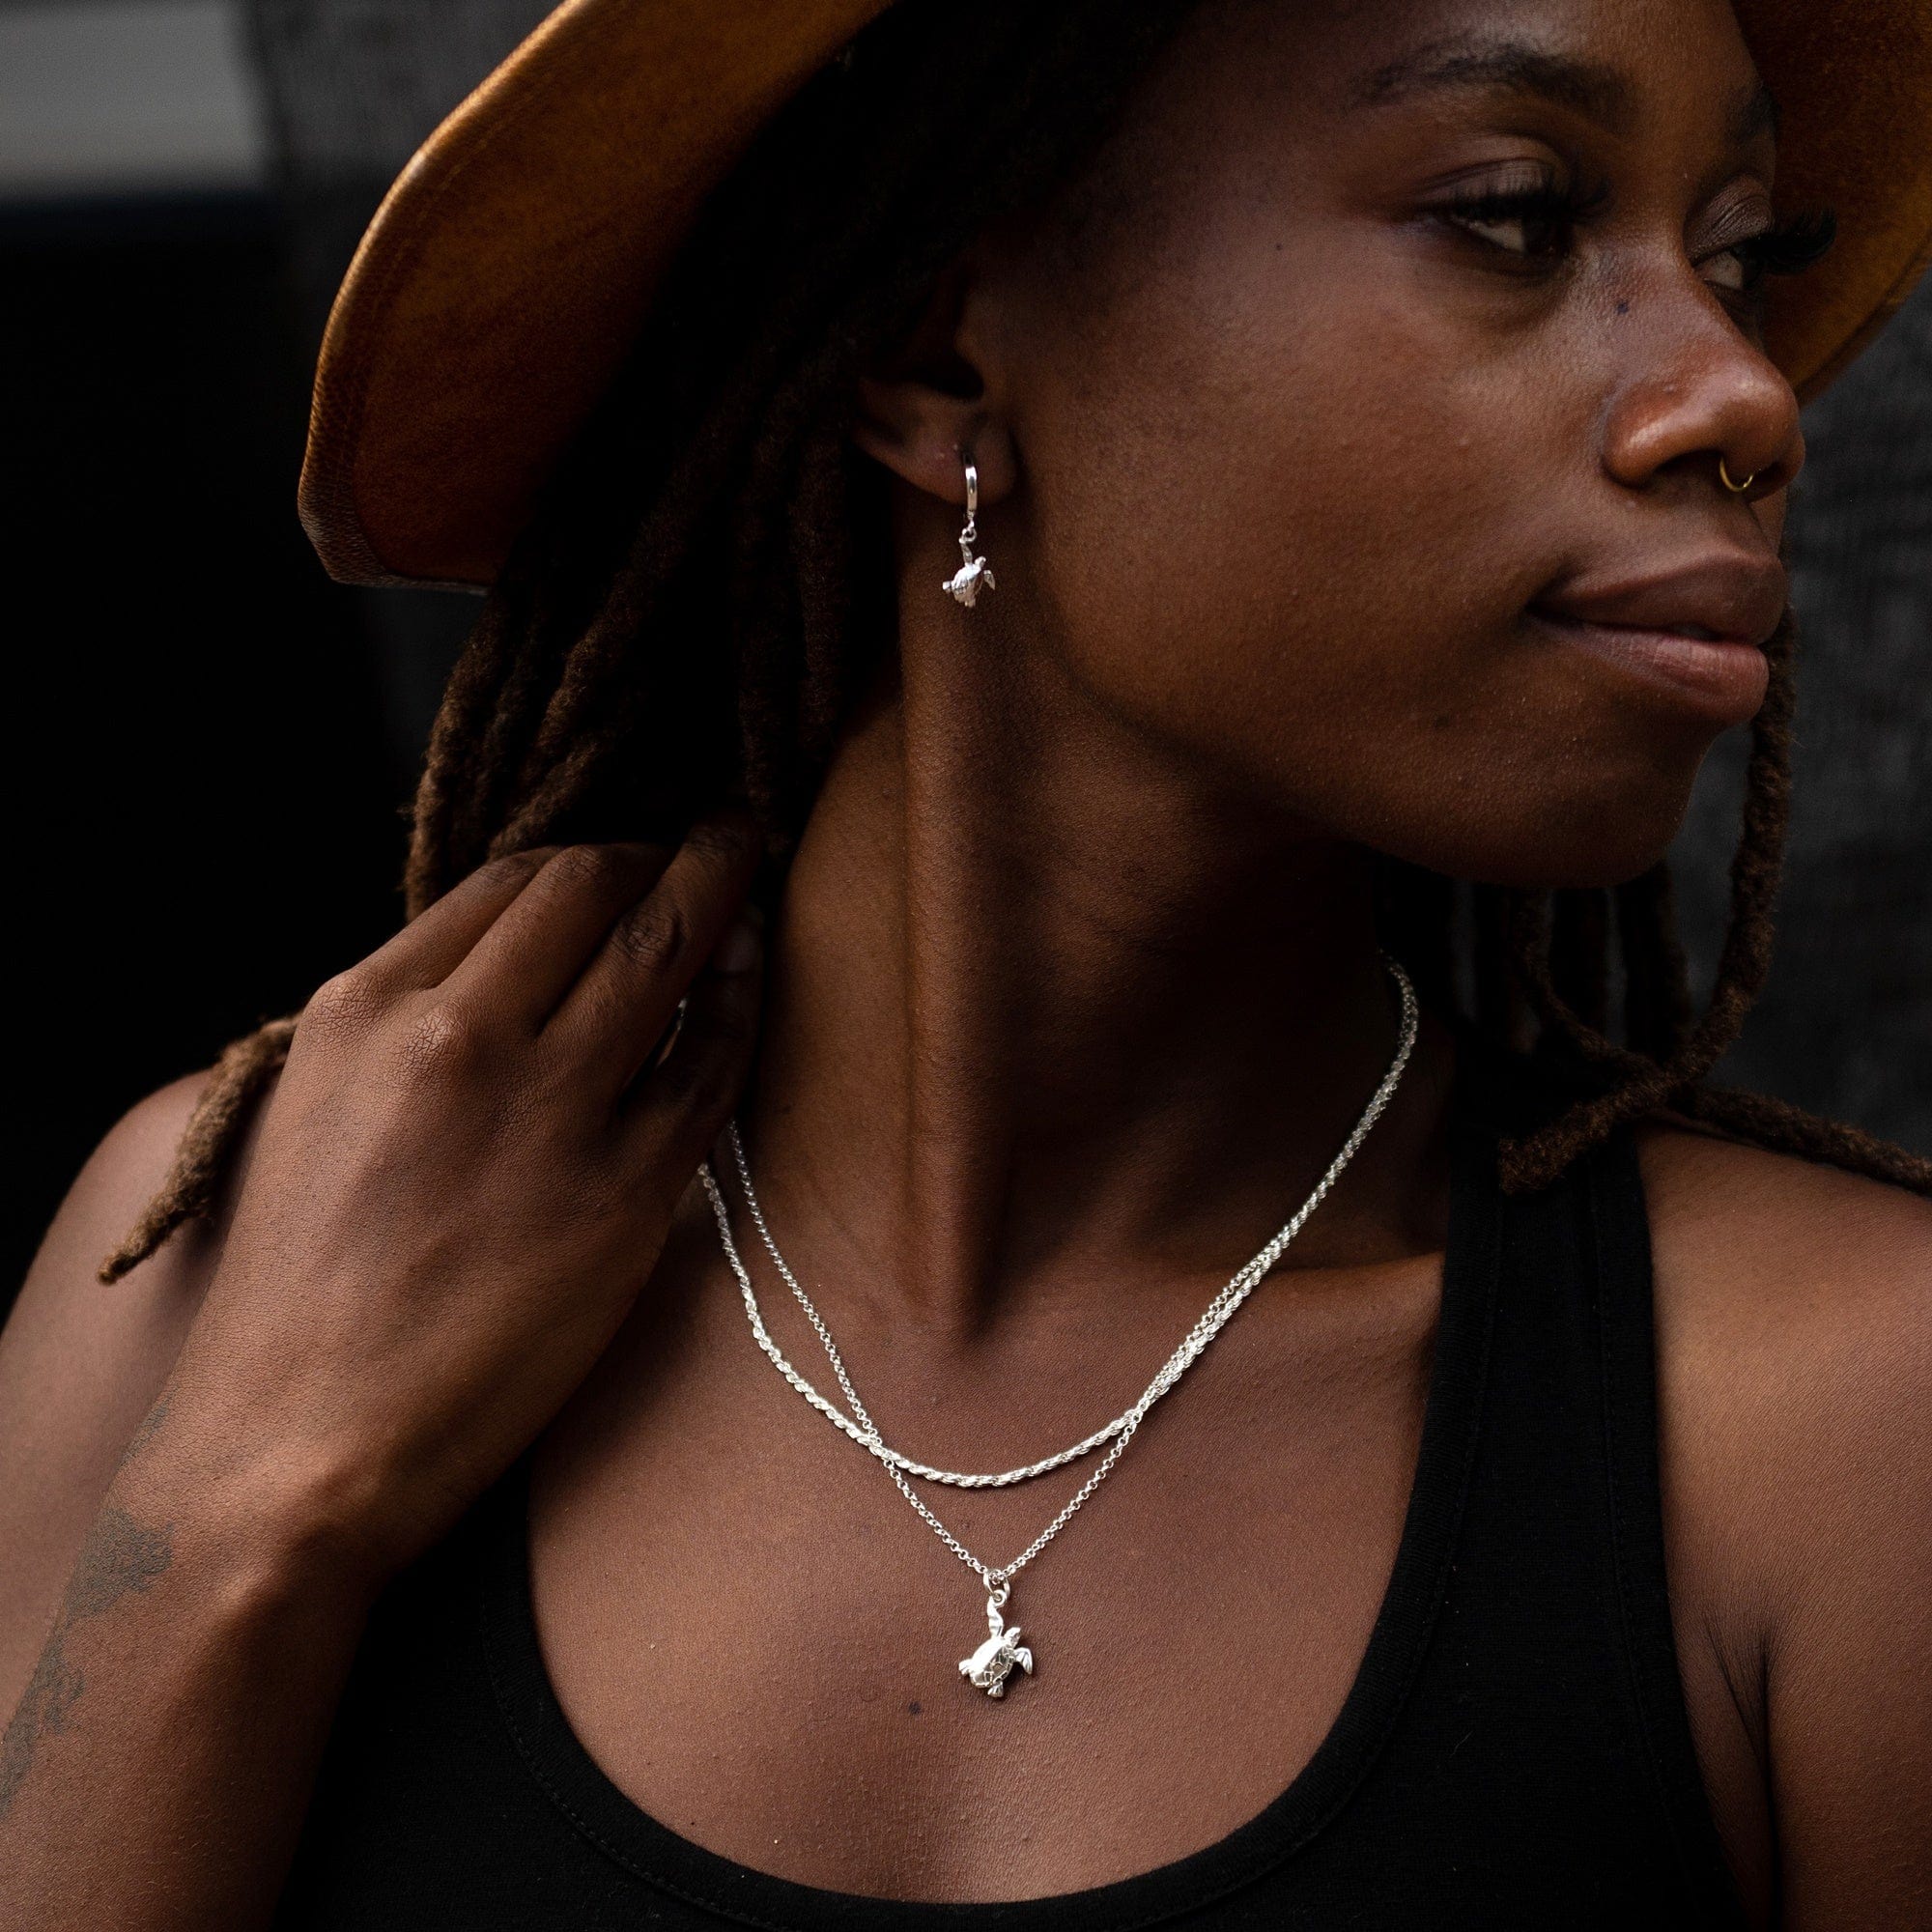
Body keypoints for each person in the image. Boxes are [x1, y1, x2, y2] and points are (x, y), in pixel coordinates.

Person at [2, 0, 1928, 1924]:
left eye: (1741, 254)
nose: (1740, 395)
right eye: (1514, 214)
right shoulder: (222, 1279)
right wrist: (242, 1512)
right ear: (937, 346)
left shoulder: (1836, 1423)